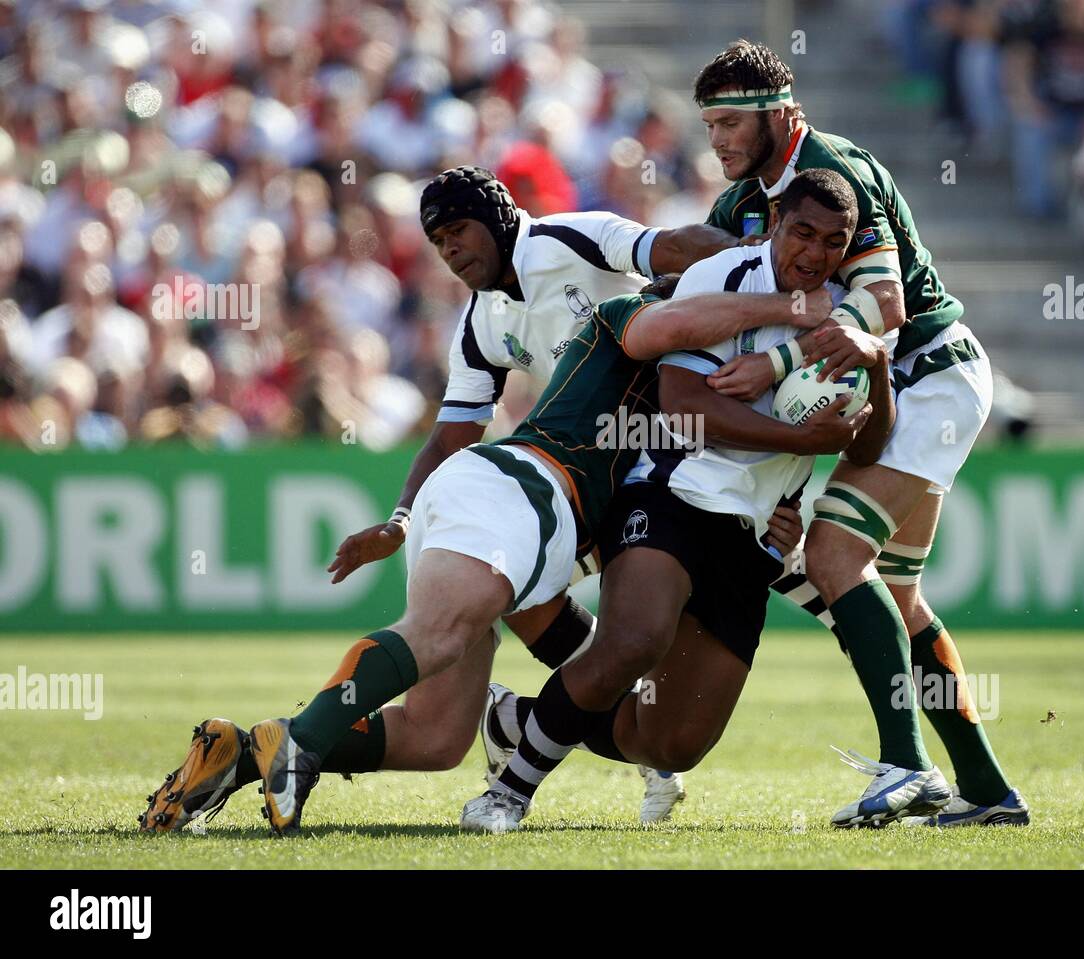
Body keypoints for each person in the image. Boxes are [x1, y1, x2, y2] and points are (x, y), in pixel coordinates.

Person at [139, 165, 753, 832]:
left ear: (498, 218)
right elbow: (450, 433)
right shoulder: (486, 322)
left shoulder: (571, 239)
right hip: (536, 492)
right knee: (523, 643)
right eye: (436, 241)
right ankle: (318, 742)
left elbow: (675, 246)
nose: (450, 249)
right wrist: (401, 518)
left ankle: (244, 753)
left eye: (458, 229)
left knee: (436, 737)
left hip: (585, 489)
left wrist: (760, 264)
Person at [459, 169, 912, 834]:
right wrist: (800, 439)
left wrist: (875, 363)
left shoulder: (849, 316)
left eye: (833, 242)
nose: (814, 253)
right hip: (671, 494)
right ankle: (508, 794)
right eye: (803, 232)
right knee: (633, 642)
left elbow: (867, 448)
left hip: (756, 534)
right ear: (776, 222)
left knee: (669, 743)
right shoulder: (720, 278)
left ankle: (518, 721)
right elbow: (683, 407)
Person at [687, 40, 1028, 827]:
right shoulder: (745, 199)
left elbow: (885, 304)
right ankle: (986, 788)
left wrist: (776, 361)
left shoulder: (833, 169)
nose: (719, 140)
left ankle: (907, 766)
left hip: (927, 372)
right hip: (894, 387)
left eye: (732, 122)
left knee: (835, 555)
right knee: (897, 600)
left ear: (781, 114)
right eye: (709, 125)